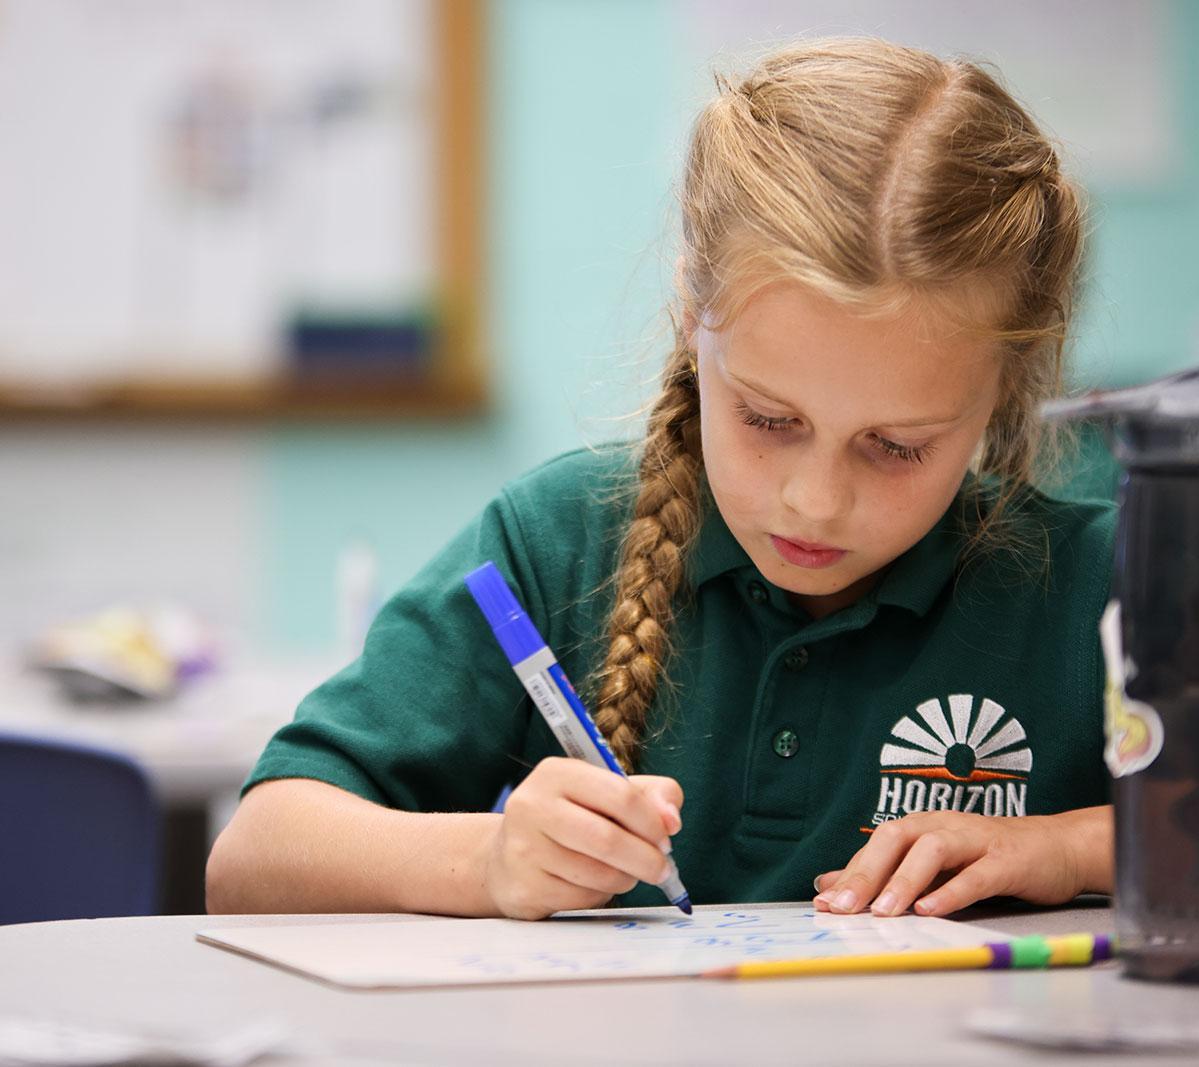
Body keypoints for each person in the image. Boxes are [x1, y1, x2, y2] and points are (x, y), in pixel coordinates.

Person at [206, 38, 1114, 922]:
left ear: (1007, 385)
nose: (814, 500)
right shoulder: (559, 539)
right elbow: (254, 855)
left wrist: (1074, 846)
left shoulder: (1099, 581)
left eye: (897, 445)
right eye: (768, 419)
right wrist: (489, 860)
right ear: (691, 316)